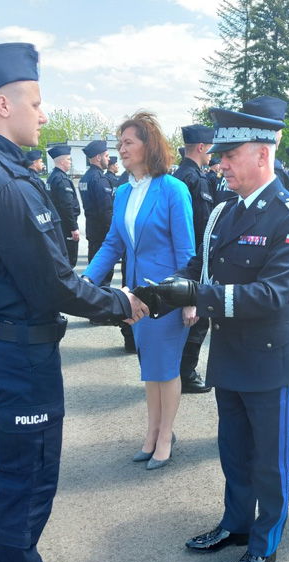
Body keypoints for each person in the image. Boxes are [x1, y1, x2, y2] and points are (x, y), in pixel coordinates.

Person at [0, 41, 147, 562]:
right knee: (24, 475)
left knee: (3, 471)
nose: (43, 115)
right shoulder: (6, 182)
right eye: (35, 103)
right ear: (3, 104)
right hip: (18, 352)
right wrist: (122, 306)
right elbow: (53, 282)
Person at [137, 100, 289, 562]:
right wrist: (165, 287)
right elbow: (204, 270)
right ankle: (235, 525)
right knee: (233, 450)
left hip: (270, 359)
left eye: (229, 156)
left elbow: (275, 293)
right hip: (231, 353)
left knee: (270, 459)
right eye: (219, 156)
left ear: (262, 154)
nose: (220, 164)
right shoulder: (225, 211)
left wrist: (197, 294)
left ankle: (265, 545)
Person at [84, 112, 195, 468]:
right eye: (120, 143)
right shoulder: (123, 193)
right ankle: (151, 433)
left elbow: (187, 253)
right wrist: (86, 282)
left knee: (166, 369)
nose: (121, 149)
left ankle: (165, 436)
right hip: (136, 298)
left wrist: (189, 298)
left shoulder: (173, 189)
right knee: (149, 368)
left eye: (128, 142)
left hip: (166, 297)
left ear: (149, 145)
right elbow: (112, 244)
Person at [173, 124, 216, 394]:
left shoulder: (181, 175)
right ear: (201, 147)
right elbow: (199, 226)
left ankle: (180, 369)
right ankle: (185, 373)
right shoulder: (193, 179)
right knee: (197, 320)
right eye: (211, 149)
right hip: (195, 259)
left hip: (189, 259)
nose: (213, 155)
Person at [78, 140, 114, 284]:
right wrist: (113, 233)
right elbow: (106, 211)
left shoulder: (85, 178)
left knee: (94, 269)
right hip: (102, 233)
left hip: (92, 230)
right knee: (104, 275)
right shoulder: (99, 179)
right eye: (106, 155)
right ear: (98, 157)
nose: (109, 159)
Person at [46, 145, 81, 267]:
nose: (71, 163)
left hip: (57, 224)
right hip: (65, 226)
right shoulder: (61, 179)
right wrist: (73, 228)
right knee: (69, 261)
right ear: (61, 161)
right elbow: (67, 206)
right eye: (69, 159)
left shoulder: (52, 177)